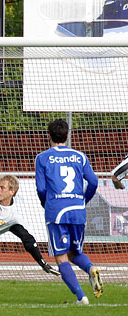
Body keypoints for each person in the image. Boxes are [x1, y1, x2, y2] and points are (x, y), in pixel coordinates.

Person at [35, 119, 101, 305]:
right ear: (67, 135)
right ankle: (90, 268)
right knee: (74, 252)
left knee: (61, 256)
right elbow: (94, 182)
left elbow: (41, 189)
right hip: (78, 210)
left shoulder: (43, 157)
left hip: (56, 210)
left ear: (49, 135)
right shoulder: (80, 156)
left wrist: (46, 204)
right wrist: (82, 200)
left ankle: (81, 297)